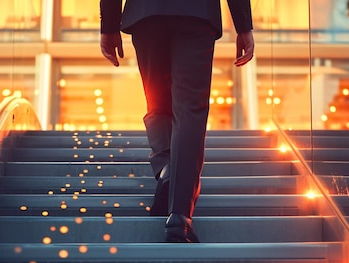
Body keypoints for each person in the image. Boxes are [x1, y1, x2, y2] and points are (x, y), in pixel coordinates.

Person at [100, 0, 254, 243]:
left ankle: (167, 170)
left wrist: (108, 26)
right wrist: (244, 26)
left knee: (158, 102)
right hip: (197, 13)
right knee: (190, 109)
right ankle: (179, 217)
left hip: (146, 13)